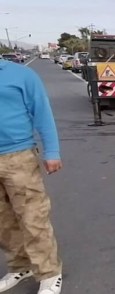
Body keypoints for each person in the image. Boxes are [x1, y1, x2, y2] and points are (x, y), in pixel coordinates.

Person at [0, 57, 64, 294]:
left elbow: (42, 112)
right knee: (3, 220)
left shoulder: (20, 75)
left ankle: (49, 273)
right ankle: (19, 266)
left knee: (32, 217)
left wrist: (52, 151)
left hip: (18, 156)